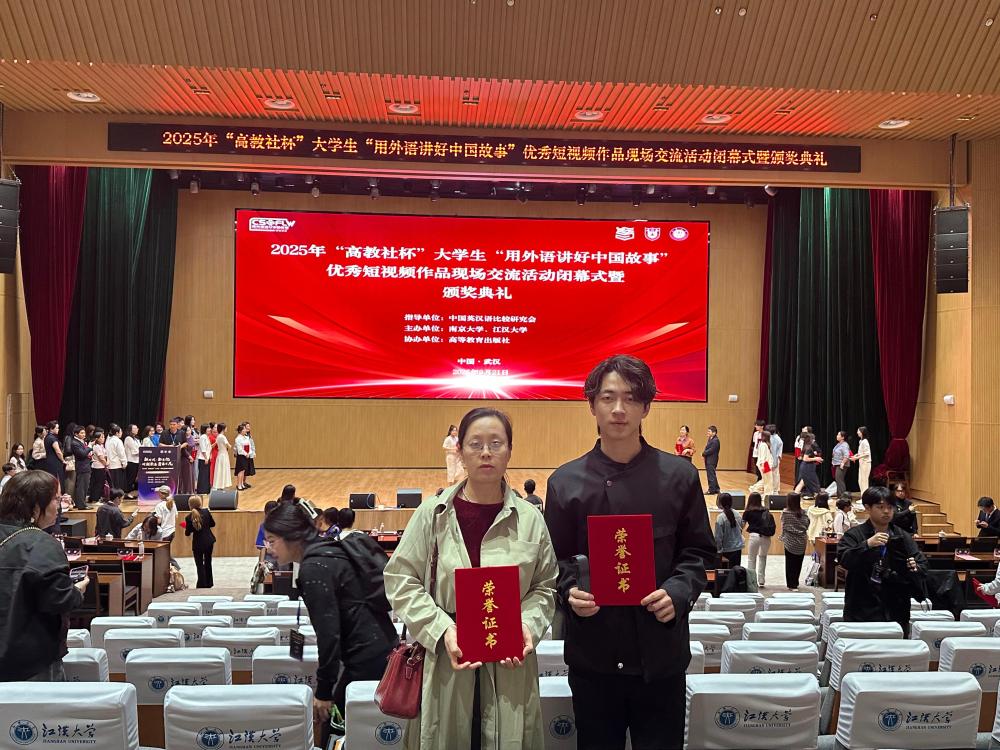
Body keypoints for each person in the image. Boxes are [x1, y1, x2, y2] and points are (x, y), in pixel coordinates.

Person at [544, 355, 715, 749]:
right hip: (594, 658)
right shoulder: (565, 483)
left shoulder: (680, 476)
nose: (619, 409)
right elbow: (555, 562)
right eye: (608, 398)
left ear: (646, 407)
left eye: (631, 398)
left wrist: (678, 592)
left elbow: (699, 553)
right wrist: (569, 592)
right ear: (592, 405)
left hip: (661, 656)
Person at [385, 407, 558, 749]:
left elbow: (545, 585)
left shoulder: (530, 519)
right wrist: (441, 629)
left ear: (510, 451)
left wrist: (527, 625)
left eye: (496, 443)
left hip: (511, 664)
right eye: (475, 444)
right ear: (460, 451)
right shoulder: (432, 515)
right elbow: (400, 578)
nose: (486, 452)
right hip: (446, 659)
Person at [267, 500, 398, 744]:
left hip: (366, 657)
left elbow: (329, 634)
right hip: (382, 646)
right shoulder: (329, 550)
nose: (269, 548)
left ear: (292, 537)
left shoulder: (314, 567)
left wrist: (324, 691)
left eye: (272, 541)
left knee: (333, 727)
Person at [0, 471, 90, 681]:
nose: (59, 506)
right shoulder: (41, 543)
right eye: (56, 499)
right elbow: (58, 599)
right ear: (36, 506)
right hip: (29, 662)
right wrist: (76, 591)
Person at [839, 486, 928, 636]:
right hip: (862, 607)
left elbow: (923, 565)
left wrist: (915, 567)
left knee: (895, 649)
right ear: (867, 508)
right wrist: (867, 545)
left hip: (897, 608)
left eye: (890, 507)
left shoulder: (903, 536)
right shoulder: (854, 535)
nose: (886, 511)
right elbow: (844, 560)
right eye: (880, 507)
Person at [185, 496, 216, 588]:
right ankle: (209, 583)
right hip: (209, 541)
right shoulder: (206, 512)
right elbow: (213, 524)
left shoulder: (188, 517)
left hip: (198, 544)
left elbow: (187, 533)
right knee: (208, 562)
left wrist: (189, 527)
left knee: (199, 564)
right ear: (200, 503)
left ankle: (202, 584)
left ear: (190, 505)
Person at [780, 493, 809, 590]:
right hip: (802, 541)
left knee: (790, 563)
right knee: (798, 562)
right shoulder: (804, 513)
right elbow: (807, 525)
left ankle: (791, 584)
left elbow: (783, 525)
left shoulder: (785, 513)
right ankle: (795, 582)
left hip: (789, 541)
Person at [744, 492, 773, 587]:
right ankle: (761, 580)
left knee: (751, 559)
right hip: (766, 537)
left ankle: (751, 581)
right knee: (763, 557)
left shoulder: (748, 511)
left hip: (754, 536)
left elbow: (742, 525)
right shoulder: (766, 511)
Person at [714, 493, 745, 568]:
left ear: (720, 503)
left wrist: (718, 551)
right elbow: (741, 527)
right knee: (736, 571)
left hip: (726, 550)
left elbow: (718, 537)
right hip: (737, 549)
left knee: (726, 573)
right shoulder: (737, 514)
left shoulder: (720, 517)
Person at [68, 427, 92, 510]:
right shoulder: (75, 443)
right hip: (82, 467)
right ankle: (81, 505)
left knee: (85, 486)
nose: (84, 434)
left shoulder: (81, 441)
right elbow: (82, 454)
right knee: (81, 486)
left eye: (84, 433)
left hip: (86, 466)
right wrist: (89, 447)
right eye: (81, 433)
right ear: (76, 434)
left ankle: (82, 503)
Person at [41, 421, 66, 492]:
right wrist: (63, 460)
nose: (58, 429)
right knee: (57, 480)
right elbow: (58, 451)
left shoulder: (47, 437)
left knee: (51, 480)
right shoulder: (52, 438)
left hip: (49, 461)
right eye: (57, 428)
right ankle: (58, 496)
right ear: (51, 429)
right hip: (55, 462)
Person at [750, 429, 775, 495]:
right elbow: (763, 457)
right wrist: (763, 466)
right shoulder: (763, 445)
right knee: (768, 481)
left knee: (765, 480)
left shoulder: (764, 444)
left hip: (765, 464)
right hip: (765, 465)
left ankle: (755, 488)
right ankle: (767, 494)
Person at [849, 426, 872, 494]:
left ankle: (865, 497)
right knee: (860, 480)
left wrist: (856, 458)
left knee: (864, 481)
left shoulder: (865, 441)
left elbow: (867, 453)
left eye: (858, 431)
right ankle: (863, 496)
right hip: (861, 463)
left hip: (866, 463)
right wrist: (856, 455)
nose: (857, 432)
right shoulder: (861, 441)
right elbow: (861, 452)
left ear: (862, 432)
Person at [88, 431, 110, 501]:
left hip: (102, 467)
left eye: (104, 437)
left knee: (101, 483)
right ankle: (95, 498)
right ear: (97, 439)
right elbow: (101, 458)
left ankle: (98, 497)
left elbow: (105, 456)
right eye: (102, 437)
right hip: (97, 467)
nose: (103, 439)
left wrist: (107, 462)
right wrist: (106, 464)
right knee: (97, 483)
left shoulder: (102, 446)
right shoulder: (96, 446)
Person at [106, 424, 127, 491]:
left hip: (110, 465)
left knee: (112, 484)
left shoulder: (108, 440)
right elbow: (121, 453)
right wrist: (124, 463)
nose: (122, 433)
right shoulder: (118, 441)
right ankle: (117, 496)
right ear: (117, 433)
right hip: (117, 465)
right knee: (117, 485)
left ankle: (112, 496)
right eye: (121, 432)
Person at [212, 423, 231, 490]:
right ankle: (223, 485)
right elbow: (229, 446)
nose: (226, 429)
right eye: (226, 427)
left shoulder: (218, 436)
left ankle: (219, 485)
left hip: (220, 454)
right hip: (224, 455)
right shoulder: (223, 437)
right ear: (223, 429)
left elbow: (215, 444)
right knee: (223, 469)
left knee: (219, 470)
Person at [234, 422, 252, 491]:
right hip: (241, 456)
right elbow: (240, 449)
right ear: (241, 431)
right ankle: (239, 485)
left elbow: (249, 446)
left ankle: (242, 484)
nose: (245, 430)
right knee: (240, 471)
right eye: (244, 429)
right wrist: (245, 454)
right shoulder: (238, 439)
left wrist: (249, 453)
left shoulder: (246, 437)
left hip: (246, 455)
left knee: (244, 471)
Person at [123, 424, 141, 498]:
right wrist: (142, 450)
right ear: (130, 430)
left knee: (134, 479)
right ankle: (127, 493)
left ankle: (131, 493)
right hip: (131, 461)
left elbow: (140, 448)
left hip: (136, 461)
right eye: (135, 428)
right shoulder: (128, 438)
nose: (137, 429)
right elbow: (135, 451)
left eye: (137, 428)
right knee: (130, 478)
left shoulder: (136, 439)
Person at [703, 425, 721, 494]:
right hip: (709, 459)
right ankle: (716, 489)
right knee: (712, 474)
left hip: (712, 460)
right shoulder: (711, 439)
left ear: (714, 433)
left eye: (709, 431)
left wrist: (703, 453)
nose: (707, 432)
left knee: (710, 475)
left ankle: (711, 490)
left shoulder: (715, 441)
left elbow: (711, 450)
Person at [832, 431, 851, 497]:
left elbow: (846, 455)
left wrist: (842, 463)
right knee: (838, 480)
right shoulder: (839, 444)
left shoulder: (845, 445)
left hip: (841, 465)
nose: (837, 436)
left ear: (842, 437)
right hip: (837, 464)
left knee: (840, 480)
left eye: (838, 435)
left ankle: (843, 496)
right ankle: (839, 495)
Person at [196, 424, 212, 494]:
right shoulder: (203, 437)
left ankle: (206, 490)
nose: (210, 429)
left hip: (207, 458)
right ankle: (202, 490)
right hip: (203, 459)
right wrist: (206, 458)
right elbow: (203, 449)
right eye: (208, 428)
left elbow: (209, 448)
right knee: (203, 475)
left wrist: (209, 456)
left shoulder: (207, 437)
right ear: (205, 429)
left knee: (206, 475)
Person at [767, 424, 783, 490]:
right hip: (770, 458)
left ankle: (775, 488)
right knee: (770, 474)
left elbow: (776, 451)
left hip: (774, 458)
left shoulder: (776, 439)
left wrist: (775, 460)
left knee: (774, 474)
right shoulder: (771, 437)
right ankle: (771, 488)